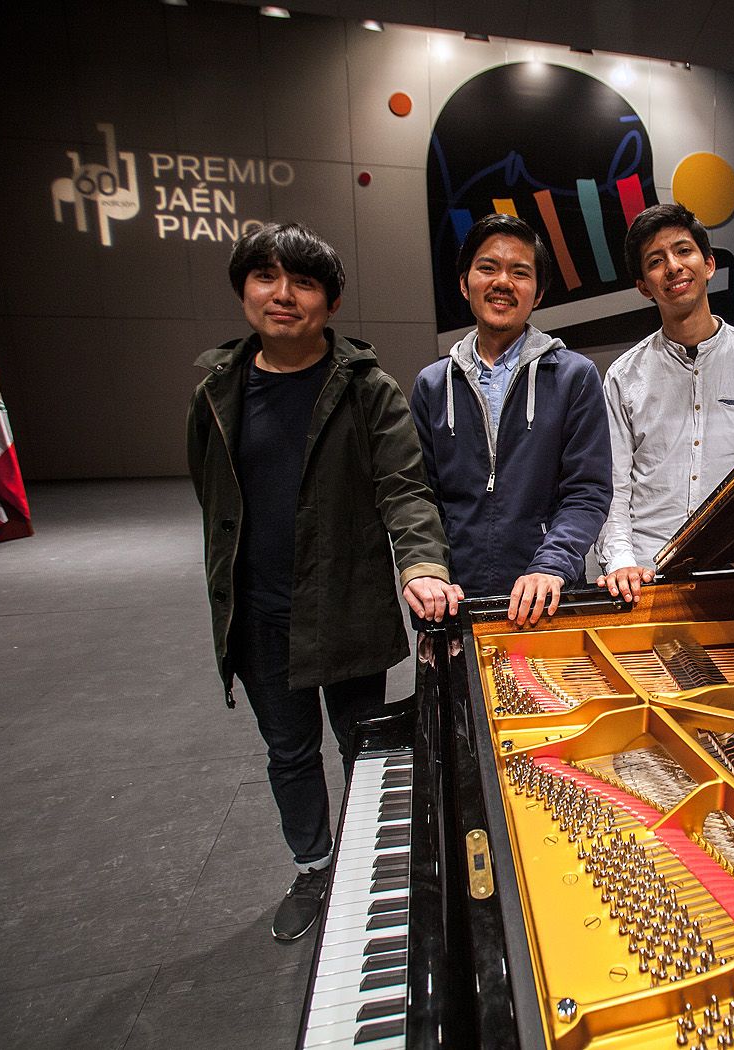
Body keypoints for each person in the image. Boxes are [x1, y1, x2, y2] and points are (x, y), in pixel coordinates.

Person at [187, 222, 461, 942]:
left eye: (303, 282)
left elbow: (405, 489)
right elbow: (213, 502)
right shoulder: (217, 389)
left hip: (344, 606)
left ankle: (377, 866)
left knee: (363, 748)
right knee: (289, 752)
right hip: (258, 616)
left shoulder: (369, 390)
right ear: (244, 289)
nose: (282, 295)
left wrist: (423, 565)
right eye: (265, 277)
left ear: (330, 303)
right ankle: (314, 866)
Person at [411, 213, 611, 623]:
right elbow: (419, 496)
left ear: (537, 294)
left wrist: (550, 565)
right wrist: (427, 569)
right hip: (451, 598)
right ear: (465, 283)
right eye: (488, 268)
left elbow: (587, 491)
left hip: (547, 594)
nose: (503, 282)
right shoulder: (432, 385)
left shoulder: (574, 376)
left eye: (520, 272)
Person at [596, 204, 734, 599]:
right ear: (644, 286)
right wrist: (620, 562)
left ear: (708, 265)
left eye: (683, 251)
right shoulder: (622, 375)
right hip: (647, 577)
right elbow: (613, 487)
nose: (673, 266)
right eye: (656, 260)